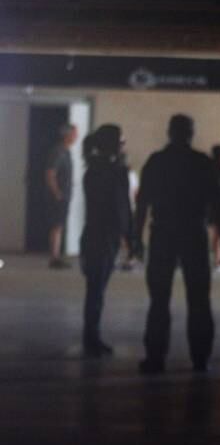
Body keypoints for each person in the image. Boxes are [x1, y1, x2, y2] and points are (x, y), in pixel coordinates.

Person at [133, 114, 220, 374]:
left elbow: (142, 204)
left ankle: (155, 356)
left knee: (159, 299)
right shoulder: (202, 163)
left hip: (163, 233)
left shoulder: (157, 162)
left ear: (169, 132)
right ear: (190, 133)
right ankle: (200, 357)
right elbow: (218, 204)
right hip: (193, 233)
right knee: (199, 298)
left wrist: (136, 238)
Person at [80, 124, 132, 357]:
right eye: (121, 141)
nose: (123, 145)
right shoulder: (114, 171)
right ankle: (92, 337)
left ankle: (91, 335)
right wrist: (129, 236)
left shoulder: (93, 169)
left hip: (94, 233)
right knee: (97, 289)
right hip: (105, 236)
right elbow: (122, 207)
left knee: (95, 289)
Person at [45, 123, 78, 269]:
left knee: (59, 225)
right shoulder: (58, 152)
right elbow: (50, 173)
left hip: (64, 195)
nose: (76, 137)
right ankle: (54, 257)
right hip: (58, 196)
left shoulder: (66, 151)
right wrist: (57, 192)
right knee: (56, 225)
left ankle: (56, 255)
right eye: (74, 134)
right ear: (67, 135)